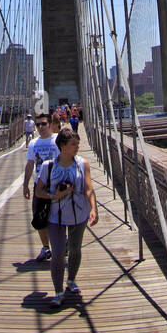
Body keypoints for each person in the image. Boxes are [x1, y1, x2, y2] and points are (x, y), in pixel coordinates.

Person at [35, 126, 98, 308]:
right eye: (73, 144)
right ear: (62, 146)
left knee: (75, 249)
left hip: (79, 215)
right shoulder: (49, 166)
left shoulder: (82, 163)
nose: (77, 147)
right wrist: (55, 196)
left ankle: (71, 280)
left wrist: (94, 209)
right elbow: (39, 191)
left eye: (77, 144)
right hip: (56, 216)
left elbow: (88, 188)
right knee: (58, 253)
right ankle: (58, 292)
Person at [23, 114, 59, 261]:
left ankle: (62, 244)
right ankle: (46, 248)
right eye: (38, 125)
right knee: (39, 217)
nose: (40, 127)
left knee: (60, 216)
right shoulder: (33, 143)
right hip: (40, 185)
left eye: (43, 124)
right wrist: (25, 185)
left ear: (50, 124)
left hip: (57, 183)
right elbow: (30, 164)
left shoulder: (58, 139)